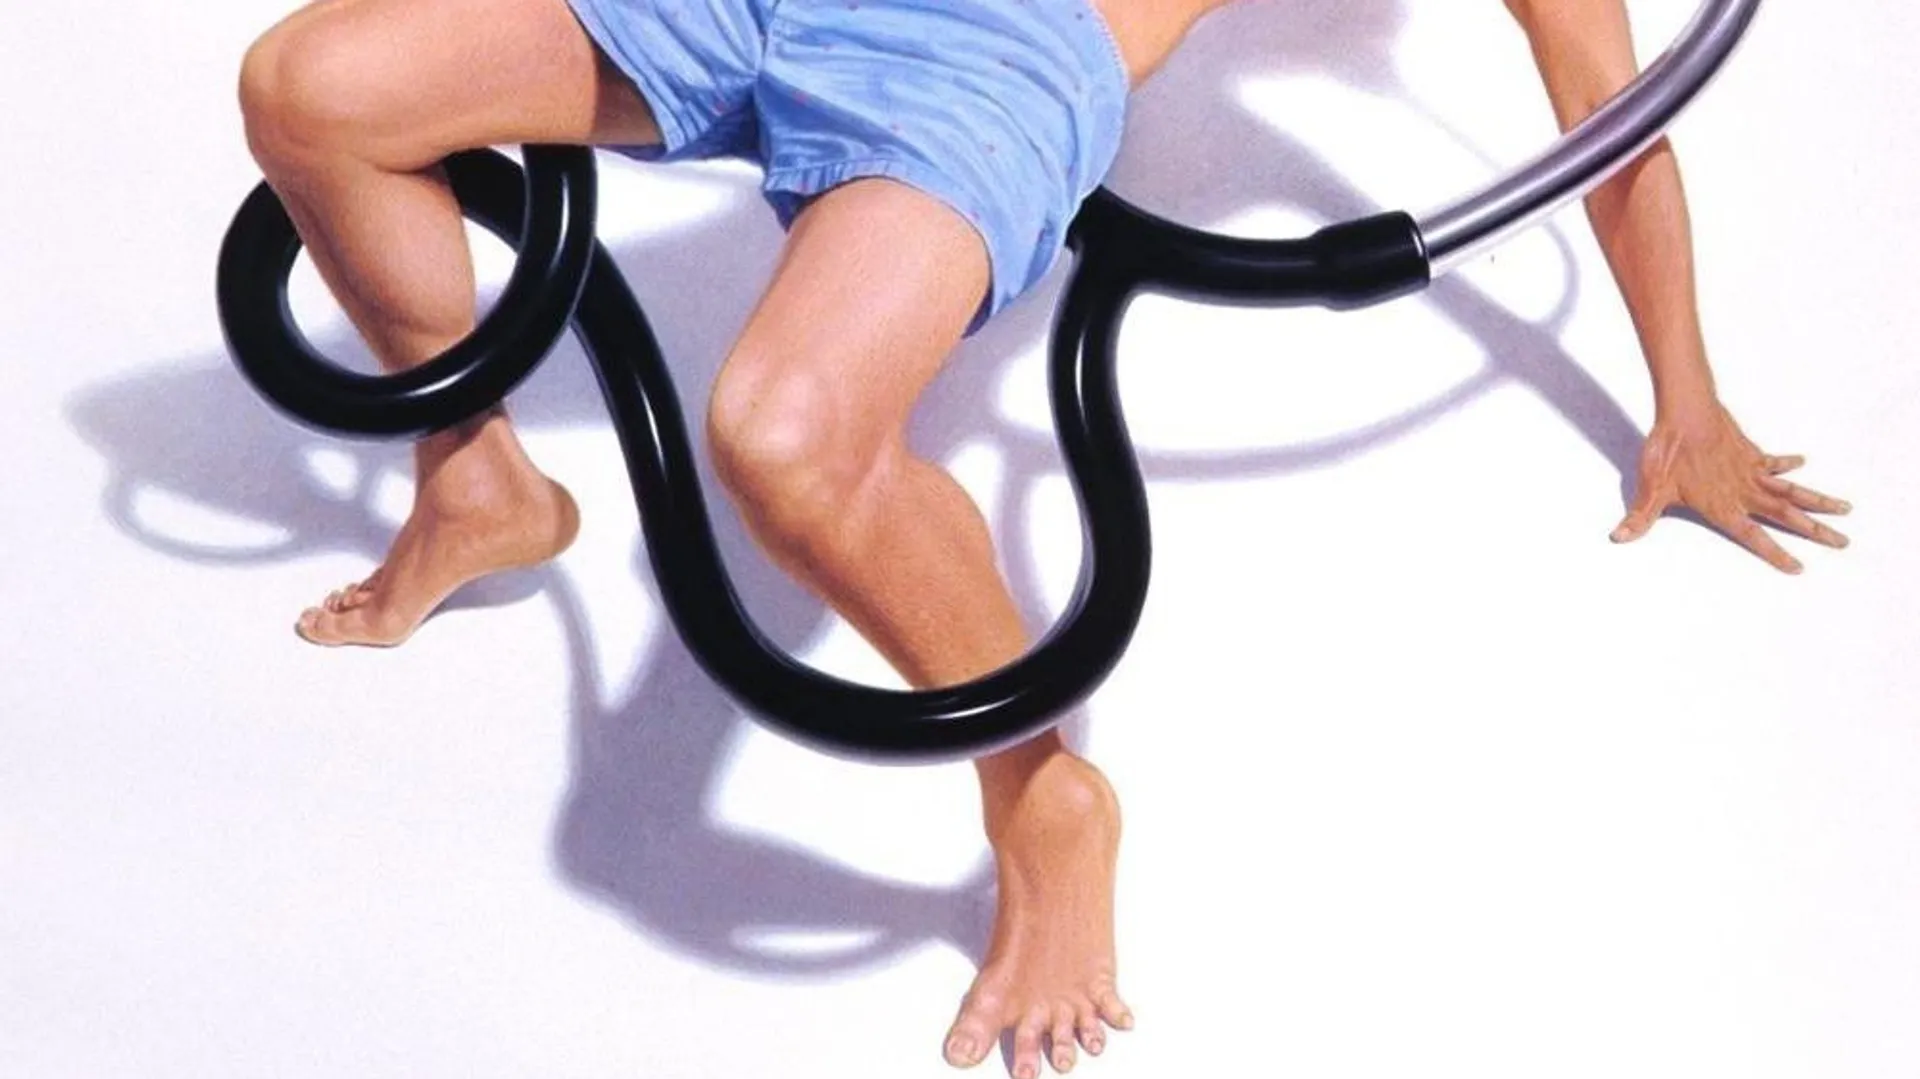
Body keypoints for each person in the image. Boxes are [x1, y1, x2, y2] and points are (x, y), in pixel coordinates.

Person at [234, 0, 1850, 1074]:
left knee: (782, 436)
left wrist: (1687, 398)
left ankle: (1045, 796)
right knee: (311, 90)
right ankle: (477, 482)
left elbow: (1611, 118)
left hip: (994, 49)